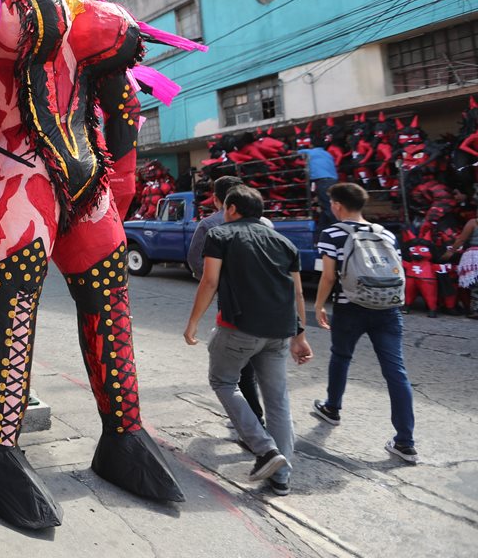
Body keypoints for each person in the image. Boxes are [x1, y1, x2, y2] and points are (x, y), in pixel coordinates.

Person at [184, 185, 314, 496]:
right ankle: (281, 477)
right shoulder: (284, 243)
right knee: (278, 401)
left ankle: (265, 450)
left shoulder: (220, 235)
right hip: (279, 332)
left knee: (223, 382)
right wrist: (300, 336)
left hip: (238, 328)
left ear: (231, 209)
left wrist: (193, 323)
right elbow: (297, 292)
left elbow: (210, 281)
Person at [312, 183, 419, 463]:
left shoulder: (332, 233)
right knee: (396, 371)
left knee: (341, 356)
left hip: (350, 307)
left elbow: (328, 276)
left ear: (337, 205)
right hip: (388, 308)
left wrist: (319, 305)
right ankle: (405, 442)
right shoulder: (386, 234)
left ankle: (332, 408)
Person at [188, 176, 266, 429]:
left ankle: (253, 423)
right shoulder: (266, 224)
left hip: (232, 302)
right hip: (268, 301)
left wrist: (217, 281)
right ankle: (269, 432)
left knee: (235, 368)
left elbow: (197, 264)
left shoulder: (211, 225)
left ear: (217, 199)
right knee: (264, 368)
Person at [298, 144, 339, 232]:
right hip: (333, 180)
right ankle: (321, 230)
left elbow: (293, 153)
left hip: (322, 181)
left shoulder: (309, 152)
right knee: (326, 206)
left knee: (328, 207)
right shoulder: (327, 154)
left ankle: (338, 228)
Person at [442, 217, 478, 318]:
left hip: (475, 256)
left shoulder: (473, 222)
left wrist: (451, 251)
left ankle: (476, 310)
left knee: (476, 284)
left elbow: (461, 239)